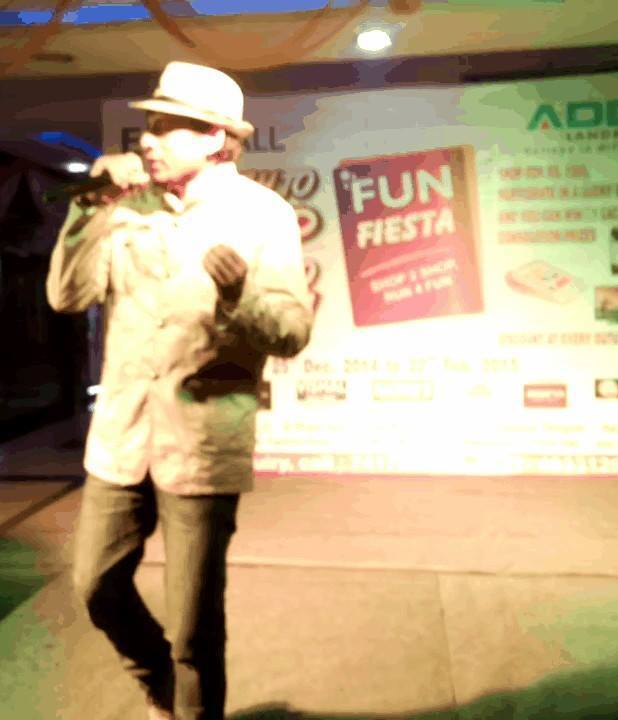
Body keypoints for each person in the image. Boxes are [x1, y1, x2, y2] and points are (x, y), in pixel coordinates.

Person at [46, 61, 313, 720]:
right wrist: (88, 209)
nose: (147, 138)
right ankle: (160, 684)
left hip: (202, 442)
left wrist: (240, 294)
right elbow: (66, 297)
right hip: (120, 438)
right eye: (149, 125)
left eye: (167, 126)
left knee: (195, 625)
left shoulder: (262, 214)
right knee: (95, 585)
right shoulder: (123, 208)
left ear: (217, 138)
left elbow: (292, 332)